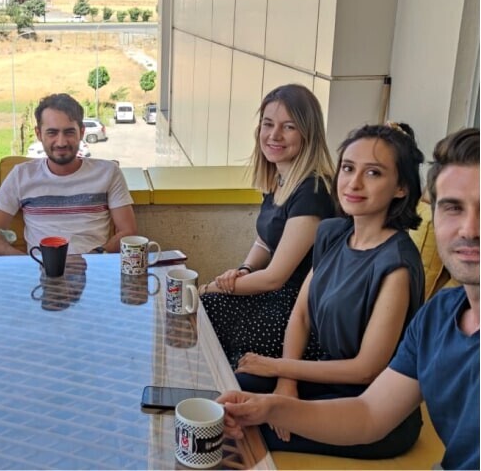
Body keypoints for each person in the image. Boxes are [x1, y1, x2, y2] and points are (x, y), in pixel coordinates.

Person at [219, 128, 479, 470]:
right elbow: (368, 411)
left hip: (364, 397)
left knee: (236, 436)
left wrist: (278, 369)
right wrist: (277, 396)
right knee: (231, 397)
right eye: (453, 208)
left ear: (401, 187)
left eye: (373, 173)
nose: (469, 229)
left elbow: (367, 372)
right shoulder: (439, 315)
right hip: (354, 396)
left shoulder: (397, 264)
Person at [199, 84, 335, 367]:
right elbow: (264, 241)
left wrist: (211, 287)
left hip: (299, 313)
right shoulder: (281, 178)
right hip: (276, 298)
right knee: (201, 311)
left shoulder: (312, 191)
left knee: (204, 306)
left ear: (308, 134)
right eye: (268, 124)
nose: (274, 135)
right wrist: (245, 269)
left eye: (289, 127)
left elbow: (275, 277)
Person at [0, 93, 137, 256]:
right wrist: (24, 261)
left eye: (69, 132)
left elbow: (128, 232)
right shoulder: (21, 175)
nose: (61, 142)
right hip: (40, 268)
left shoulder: (108, 172)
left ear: (82, 132)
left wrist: (97, 254)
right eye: (52, 133)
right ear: (39, 134)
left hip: (93, 265)